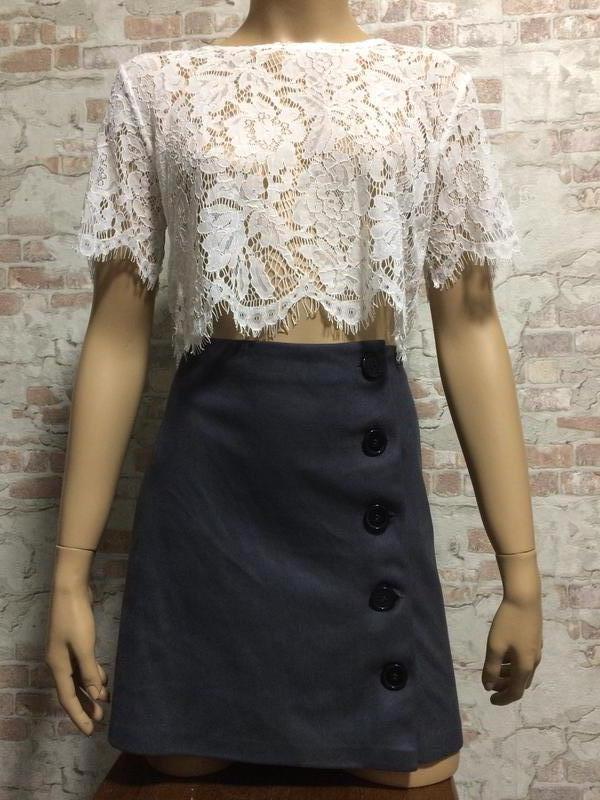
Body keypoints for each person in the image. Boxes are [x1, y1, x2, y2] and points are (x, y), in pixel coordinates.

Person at [45, 1, 543, 790]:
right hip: (212, 487)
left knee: (412, 767)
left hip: (360, 464)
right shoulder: (158, 86)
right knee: (182, 754)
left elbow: (471, 321)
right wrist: (68, 574)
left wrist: (521, 574)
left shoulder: (428, 86)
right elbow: (116, 330)